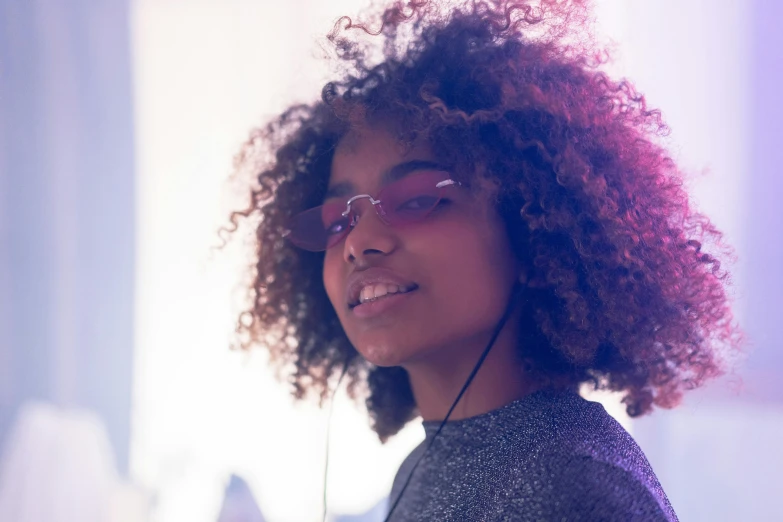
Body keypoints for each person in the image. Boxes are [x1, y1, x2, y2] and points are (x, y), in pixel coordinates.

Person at [219, 1, 741, 520]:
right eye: (338, 221)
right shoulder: (421, 469)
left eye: (419, 199)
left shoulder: (569, 489)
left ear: (532, 233)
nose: (359, 242)